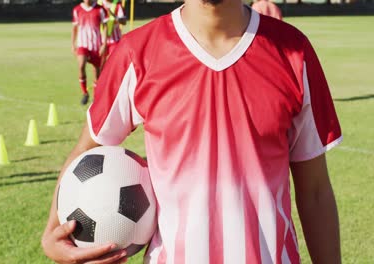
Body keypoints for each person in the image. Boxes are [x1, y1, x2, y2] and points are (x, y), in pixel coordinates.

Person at [42, 0, 343, 263]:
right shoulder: (136, 53)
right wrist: (51, 234)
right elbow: (87, 151)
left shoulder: (294, 52)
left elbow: (314, 191)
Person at [71, 0, 108, 105]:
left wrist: (104, 44)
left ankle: (96, 98)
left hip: (96, 46)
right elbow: (74, 28)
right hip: (83, 45)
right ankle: (85, 92)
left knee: (97, 74)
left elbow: (105, 27)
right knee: (81, 65)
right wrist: (73, 44)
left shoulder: (100, 9)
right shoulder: (77, 10)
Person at [99, 0, 127, 65]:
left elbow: (124, 22)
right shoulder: (99, 4)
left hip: (115, 40)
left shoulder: (117, 4)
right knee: (100, 65)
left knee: (113, 63)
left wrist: (116, 17)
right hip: (100, 40)